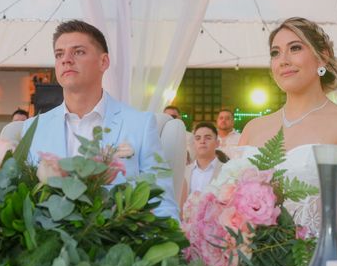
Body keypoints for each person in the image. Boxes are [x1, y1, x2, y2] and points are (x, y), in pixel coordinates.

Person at [237, 17, 337, 238]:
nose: (283, 60)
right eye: (275, 53)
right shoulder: (252, 128)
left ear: (322, 58)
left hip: (326, 254)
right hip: (255, 255)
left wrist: (278, 246)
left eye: (294, 48)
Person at [22, 20, 178, 219]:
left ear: (104, 62)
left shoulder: (140, 125)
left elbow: (162, 204)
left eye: (78, 52)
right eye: (59, 54)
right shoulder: (33, 129)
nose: (66, 60)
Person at [180, 122, 224, 213]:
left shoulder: (226, 170)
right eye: (198, 138)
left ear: (217, 143)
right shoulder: (184, 172)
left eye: (208, 138)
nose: (202, 141)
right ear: (193, 143)